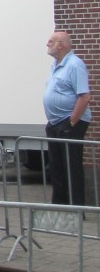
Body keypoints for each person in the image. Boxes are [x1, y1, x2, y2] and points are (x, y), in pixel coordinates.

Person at [43, 30, 91, 205]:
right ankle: (60, 206)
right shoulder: (56, 65)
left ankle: (76, 208)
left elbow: (84, 97)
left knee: (71, 166)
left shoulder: (75, 64)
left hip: (70, 122)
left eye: (51, 41)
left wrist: (71, 122)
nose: (47, 44)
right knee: (56, 166)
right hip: (55, 122)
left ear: (60, 44)